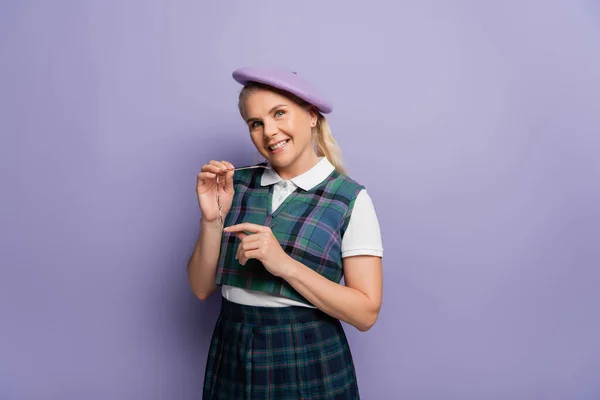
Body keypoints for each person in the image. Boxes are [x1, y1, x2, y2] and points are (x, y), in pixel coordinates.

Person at [187, 67, 384, 399]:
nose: (269, 132)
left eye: (280, 113)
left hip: (307, 356)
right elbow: (201, 288)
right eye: (256, 123)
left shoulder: (350, 198)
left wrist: (284, 265)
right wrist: (211, 220)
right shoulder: (235, 187)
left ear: (311, 116)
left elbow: (365, 314)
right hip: (232, 350)